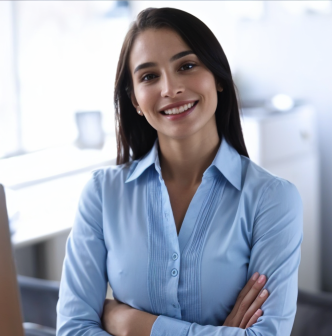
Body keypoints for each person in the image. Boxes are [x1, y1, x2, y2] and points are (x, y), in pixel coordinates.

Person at [56, 7, 303, 336]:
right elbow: (73, 330)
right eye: (149, 76)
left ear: (217, 78)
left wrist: (133, 325)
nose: (169, 88)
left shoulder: (272, 199)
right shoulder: (103, 194)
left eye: (186, 66)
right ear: (135, 101)